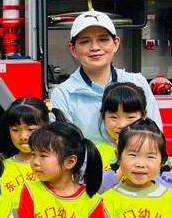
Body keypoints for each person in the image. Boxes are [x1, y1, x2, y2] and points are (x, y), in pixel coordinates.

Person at [49, 11, 159, 144]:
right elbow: (64, 148)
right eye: (85, 41)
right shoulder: (64, 94)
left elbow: (156, 139)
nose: (95, 47)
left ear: (116, 44)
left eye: (103, 39)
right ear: (72, 49)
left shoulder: (137, 82)